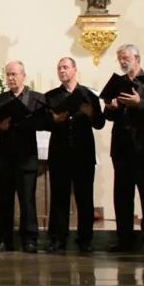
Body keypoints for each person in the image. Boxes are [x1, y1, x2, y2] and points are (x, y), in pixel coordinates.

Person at [103, 44, 144, 254]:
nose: (122, 61)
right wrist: (110, 108)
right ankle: (124, 239)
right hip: (121, 147)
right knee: (122, 194)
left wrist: (140, 103)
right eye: (119, 58)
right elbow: (109, 116)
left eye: (125, 57)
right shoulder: (118, 83)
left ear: (137, 57)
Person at [43, 57, 105, 253]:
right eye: (59, 68)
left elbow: (100, 123)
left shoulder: (88, 94)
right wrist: (55, 120)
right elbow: (44, 124)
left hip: (83, 151)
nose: (62, 71)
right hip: (60, 152)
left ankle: (85, 239)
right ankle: (57, 238)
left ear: (74, 70)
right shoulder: (51, 96)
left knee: (84, 196)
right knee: (59, 196)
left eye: (65, 67)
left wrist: (91, 113)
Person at [0, 61, 46, 253]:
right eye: (8, 75)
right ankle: (5, 239)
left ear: (23, 75)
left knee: (27, 201)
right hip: (5, 156)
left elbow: (42, 122)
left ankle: (30, 239)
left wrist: (25, 122)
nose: (11, 78)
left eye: (14, 74)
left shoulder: (36, 99)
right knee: (4, 201)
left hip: (26, 156)